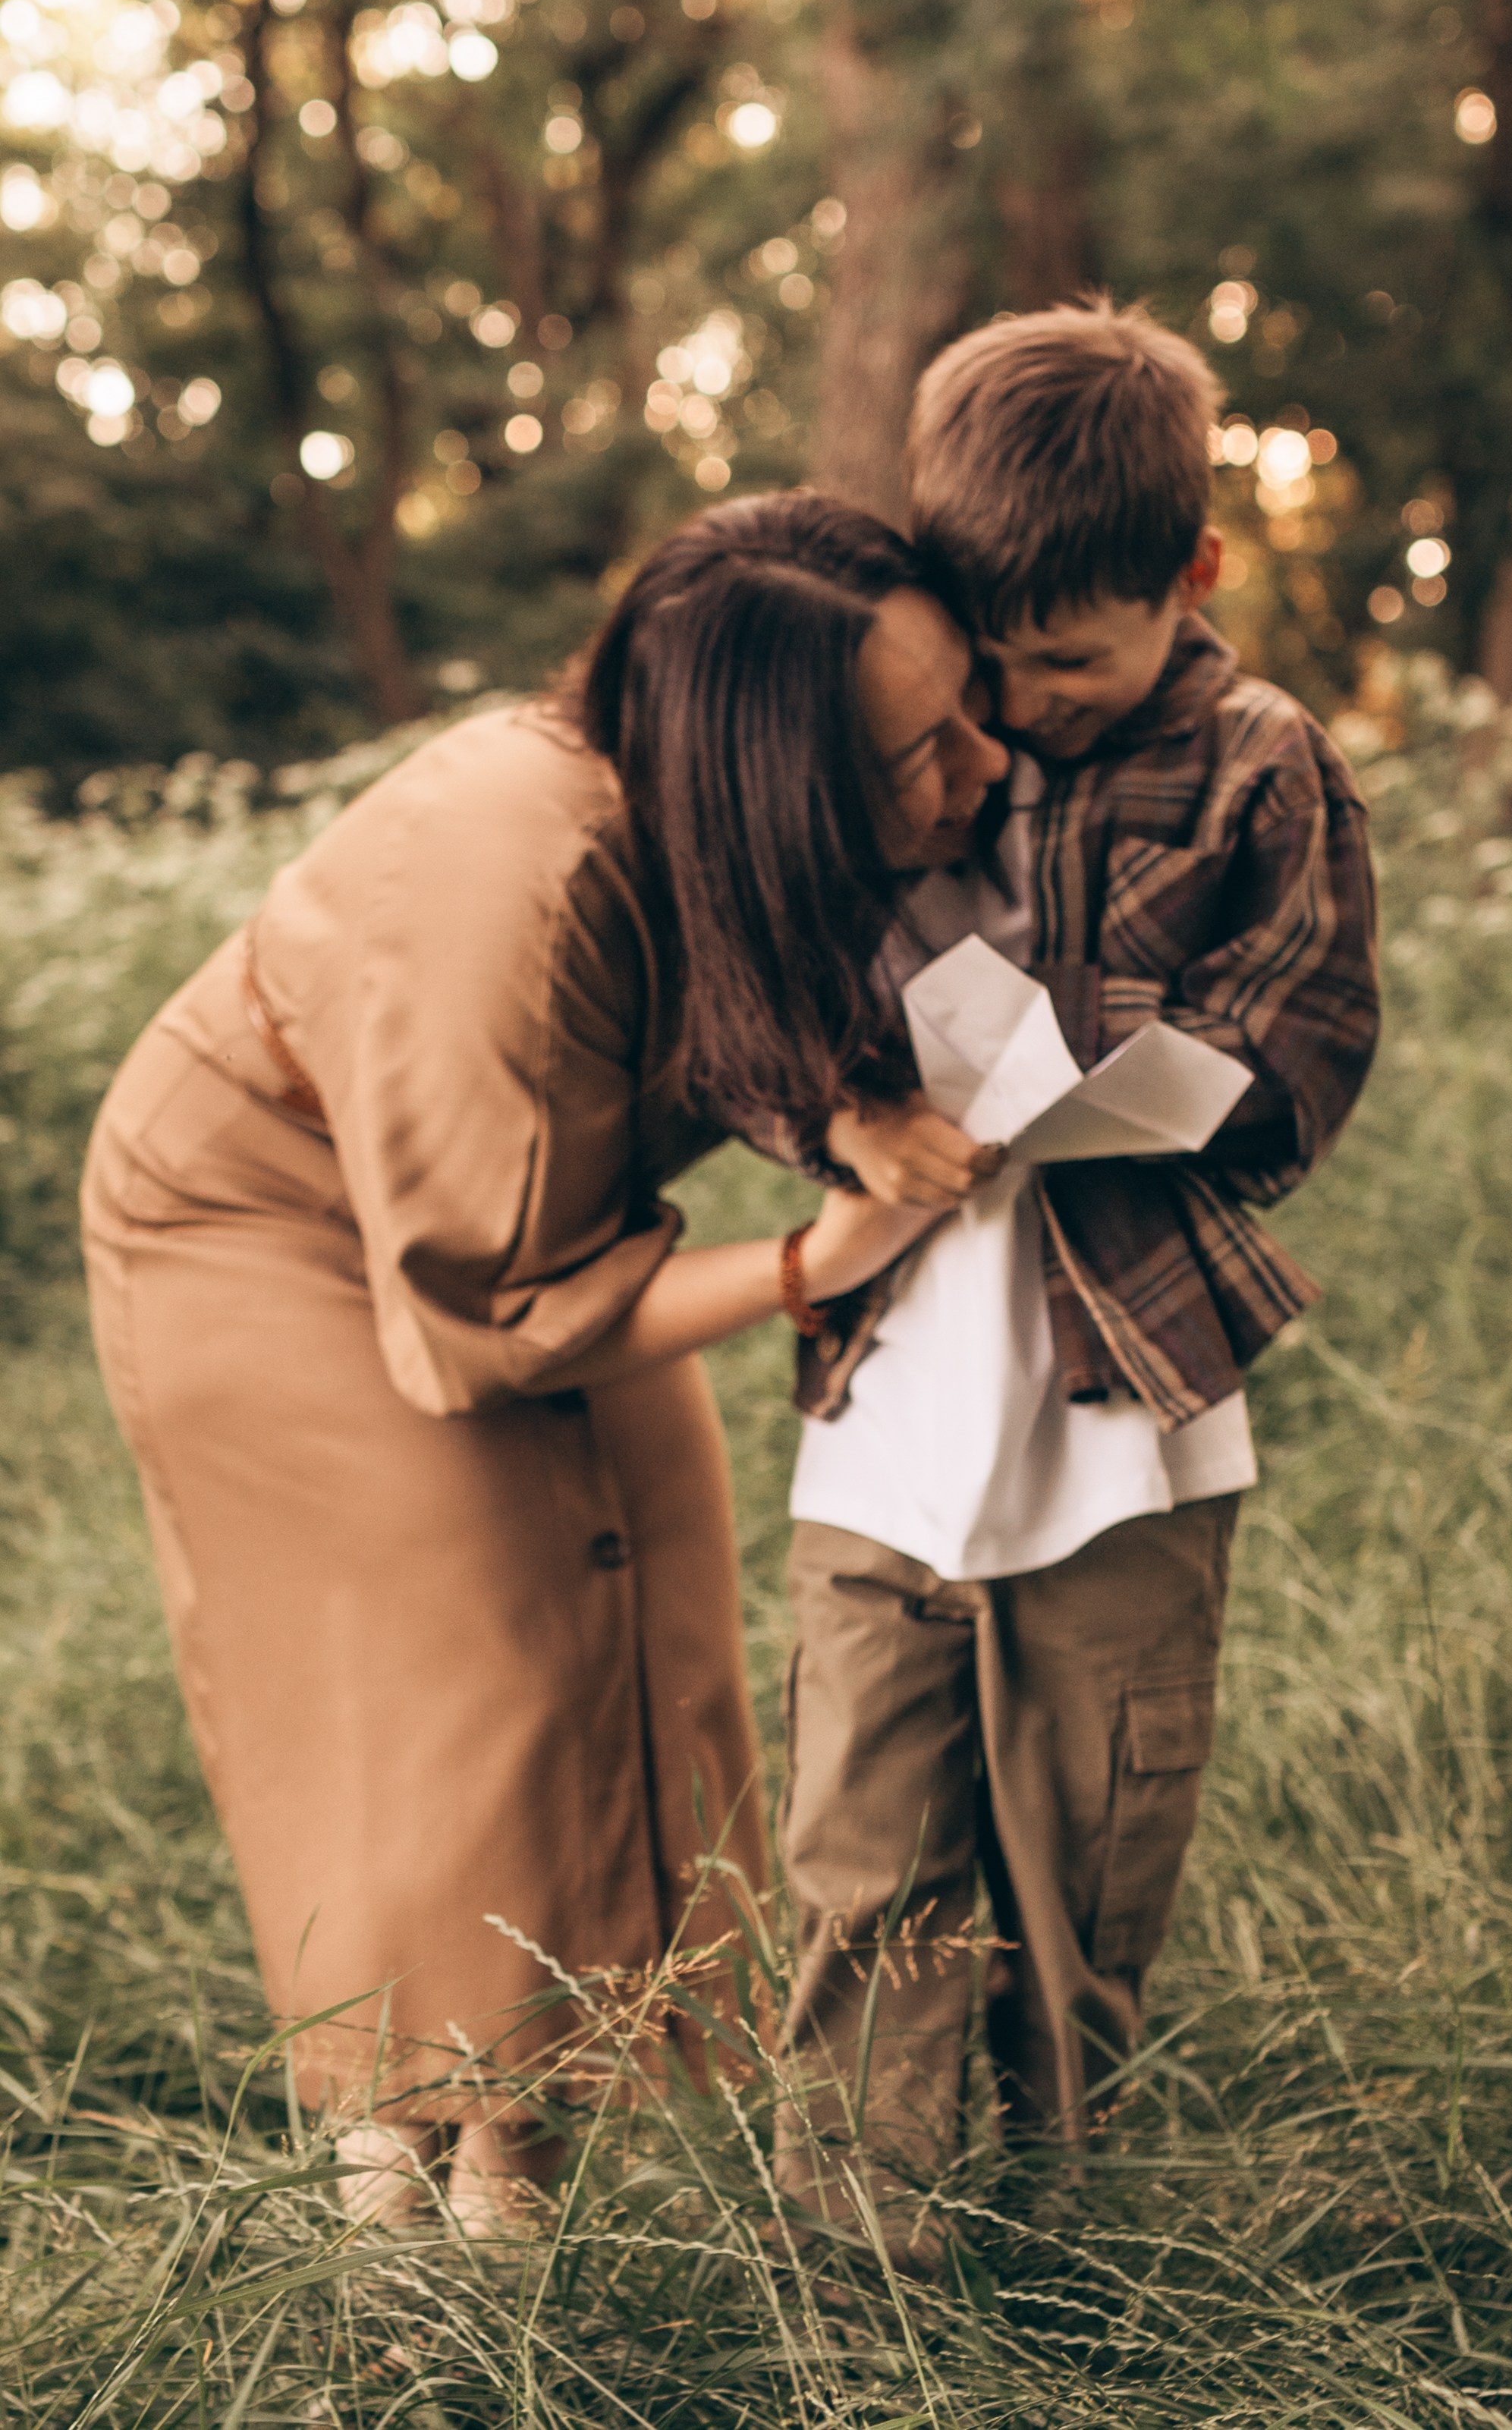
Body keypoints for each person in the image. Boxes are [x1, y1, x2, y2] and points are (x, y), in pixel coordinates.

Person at [80, 491, 1004, 2234]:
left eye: (972, 709)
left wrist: (844, 1112)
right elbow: (492, 1327)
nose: (982, 766)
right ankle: (410, 2208)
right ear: (769, 778)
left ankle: (537, 2138)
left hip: (517, 1205)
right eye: (920, 751)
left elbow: (711, 1018)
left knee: (650, 1593)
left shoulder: (712, 823)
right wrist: (807, 1262)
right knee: (485, 1658)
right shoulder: (525, 881)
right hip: (264, 1221)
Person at [775, 303, 1382, 2212]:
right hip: (886, 1414)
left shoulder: (1262, 766)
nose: (1025, 706)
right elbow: (765, 992)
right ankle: (853, 2275)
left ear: (1190, 576)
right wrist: (850, 1112)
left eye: (1072, 663)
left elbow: (1302, 1054)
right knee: (860, 1866)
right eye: (995, 659)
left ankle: (1065, 2250)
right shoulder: (888, 728)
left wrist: (1095, 1068)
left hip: (1127, 1413)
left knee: (1088, 1880)